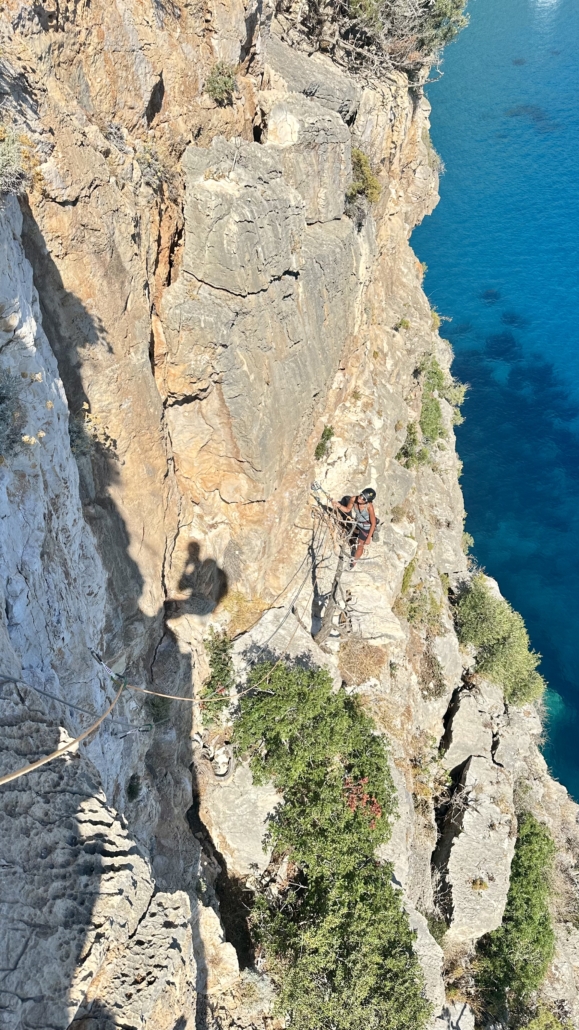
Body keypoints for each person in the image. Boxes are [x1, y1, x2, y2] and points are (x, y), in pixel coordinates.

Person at [332, 488, 376, 567]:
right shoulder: (353, 499)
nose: (360, 498)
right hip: (357, 522)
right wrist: (339, 506)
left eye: (363, 498)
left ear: (367, 501)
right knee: (352, 535)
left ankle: (354, 561)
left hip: (366, 526)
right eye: (361, 495)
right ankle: (354, 540)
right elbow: (347, 509)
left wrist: (369, 537)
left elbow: (373, 523)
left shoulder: (369, 507)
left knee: (360, 545)